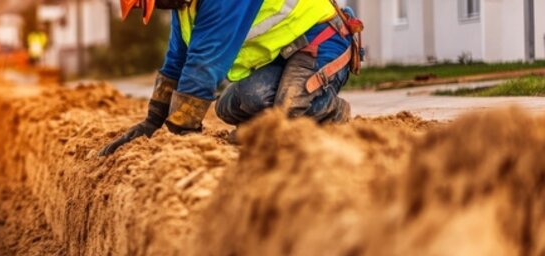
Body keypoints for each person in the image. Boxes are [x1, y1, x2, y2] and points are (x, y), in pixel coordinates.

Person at [99, 0, 363, 156]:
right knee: (233, 104)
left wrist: (181, 133)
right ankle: (291, 116)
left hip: (323, 41)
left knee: (287, 121)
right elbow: (176, 62)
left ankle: (332, 111)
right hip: (284, 55)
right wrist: (152, 120)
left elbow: (203, 65)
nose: (162, 7)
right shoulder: (186, 8)